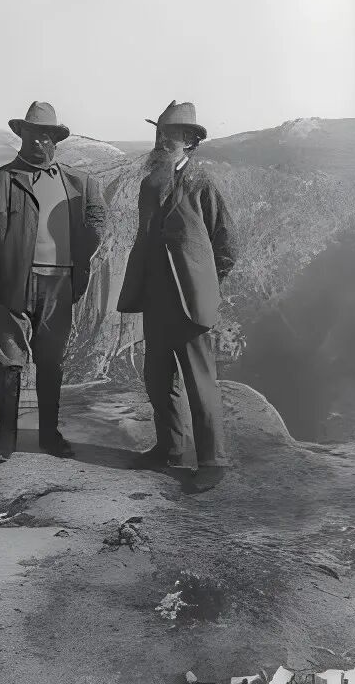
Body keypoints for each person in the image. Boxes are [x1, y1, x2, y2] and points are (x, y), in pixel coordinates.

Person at [0, 101, 107, 466]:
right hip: (10, 284)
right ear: (22, 135)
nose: (38, 142)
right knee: (9, 361)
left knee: (51, 361)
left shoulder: (79, 184)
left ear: (55, 140)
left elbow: (95, 229)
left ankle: (49, 434)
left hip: (59, 284)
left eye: (46, 136)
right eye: (32, 134)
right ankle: (6, 438)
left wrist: (84, 256)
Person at [117, 100, 238, 489]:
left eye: (170, 134)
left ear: (189, 140)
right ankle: (170, 448)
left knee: (200, 382)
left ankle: (213, 461)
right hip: (156, 299)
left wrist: (206, 284)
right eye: (159, 133)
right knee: (157, 378)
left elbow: (226, 244)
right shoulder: (150, 184)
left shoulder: (203, 184)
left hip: (190, 303)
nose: (161, 140)